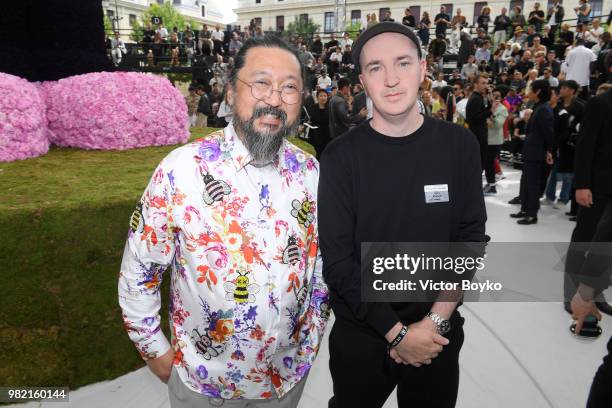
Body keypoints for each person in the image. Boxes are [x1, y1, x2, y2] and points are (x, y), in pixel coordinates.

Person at [118, 35, 330, 408]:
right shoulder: (181, 171)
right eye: (260, 82)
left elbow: (321, 265)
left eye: (290, 87)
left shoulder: (311, 172)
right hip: (203, 386)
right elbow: (139, 273)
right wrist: (157, 353)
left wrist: (311, 336)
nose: (275, 99)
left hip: (286, 381)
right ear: (231, 92)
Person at [319, 21, 487, 408]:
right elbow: (340, 263)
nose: (391, 79)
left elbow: (470, 239)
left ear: (423, 68)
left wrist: (435, 322)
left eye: (403, 63)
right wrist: (397, 334)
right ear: (362, 79)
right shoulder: (341, 157)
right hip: (361, 335)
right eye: (376, 68)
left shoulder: (458, 145)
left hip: (437, 331)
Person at [510, 79, 554, 225]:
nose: (527, 93)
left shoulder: (544, 109)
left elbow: (548, 133)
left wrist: (549, 151)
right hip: (531, 151)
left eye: (530, 89)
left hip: (536, 152)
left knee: (533, 184)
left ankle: (531, 214)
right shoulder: (539, 107)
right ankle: (525, 209)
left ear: (538, 92)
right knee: (527, 182)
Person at [483, 88, 509, 195]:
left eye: (498, 96)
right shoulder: (487, 106)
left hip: (495, 140)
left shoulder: (503, 109)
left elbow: (498, 124)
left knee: (489, 162)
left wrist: (492, 115)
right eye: (494, 95)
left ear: (502, 98)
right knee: (487, 162)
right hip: (486, 138)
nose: (495, 98)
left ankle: (492, 185)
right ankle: (490, 183)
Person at [466, 73, 492, 169]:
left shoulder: (480, 97)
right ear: (476, 84)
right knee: (478, 165)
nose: (485, 86)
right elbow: (472, 119)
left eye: (486, 83)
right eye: (483, 83)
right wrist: (490, 111)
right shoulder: (476, 98)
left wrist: (489, 96)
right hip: (477, 135)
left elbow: (487, 110)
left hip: (480, 133)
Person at [306, 89, 331, 158]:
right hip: (315, 136)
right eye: (321, 96)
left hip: (327, 135)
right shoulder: (312, 108)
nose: (323, 98)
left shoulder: (330, 108)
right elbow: (309, 120)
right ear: (317, 98)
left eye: (325, 96)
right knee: (316, 154)